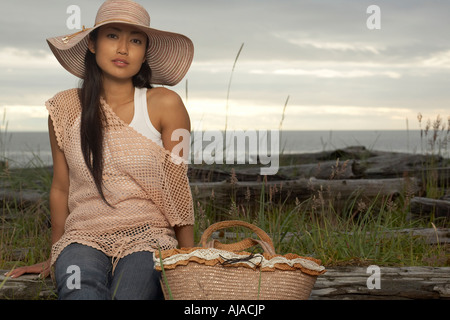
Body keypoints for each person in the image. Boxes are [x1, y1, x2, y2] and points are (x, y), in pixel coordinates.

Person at [5, 0, 195, 300]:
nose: (123, 49)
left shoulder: (166, 104)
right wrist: (55, 254)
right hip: (82, 238)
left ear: (144, 52)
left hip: (148, 238)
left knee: (130, 295)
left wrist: (188, 256)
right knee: (80, 290)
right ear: (92, 43)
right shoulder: (65, 108)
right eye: (112, 36)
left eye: (135, 40)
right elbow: (60, 186)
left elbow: (177, 185)